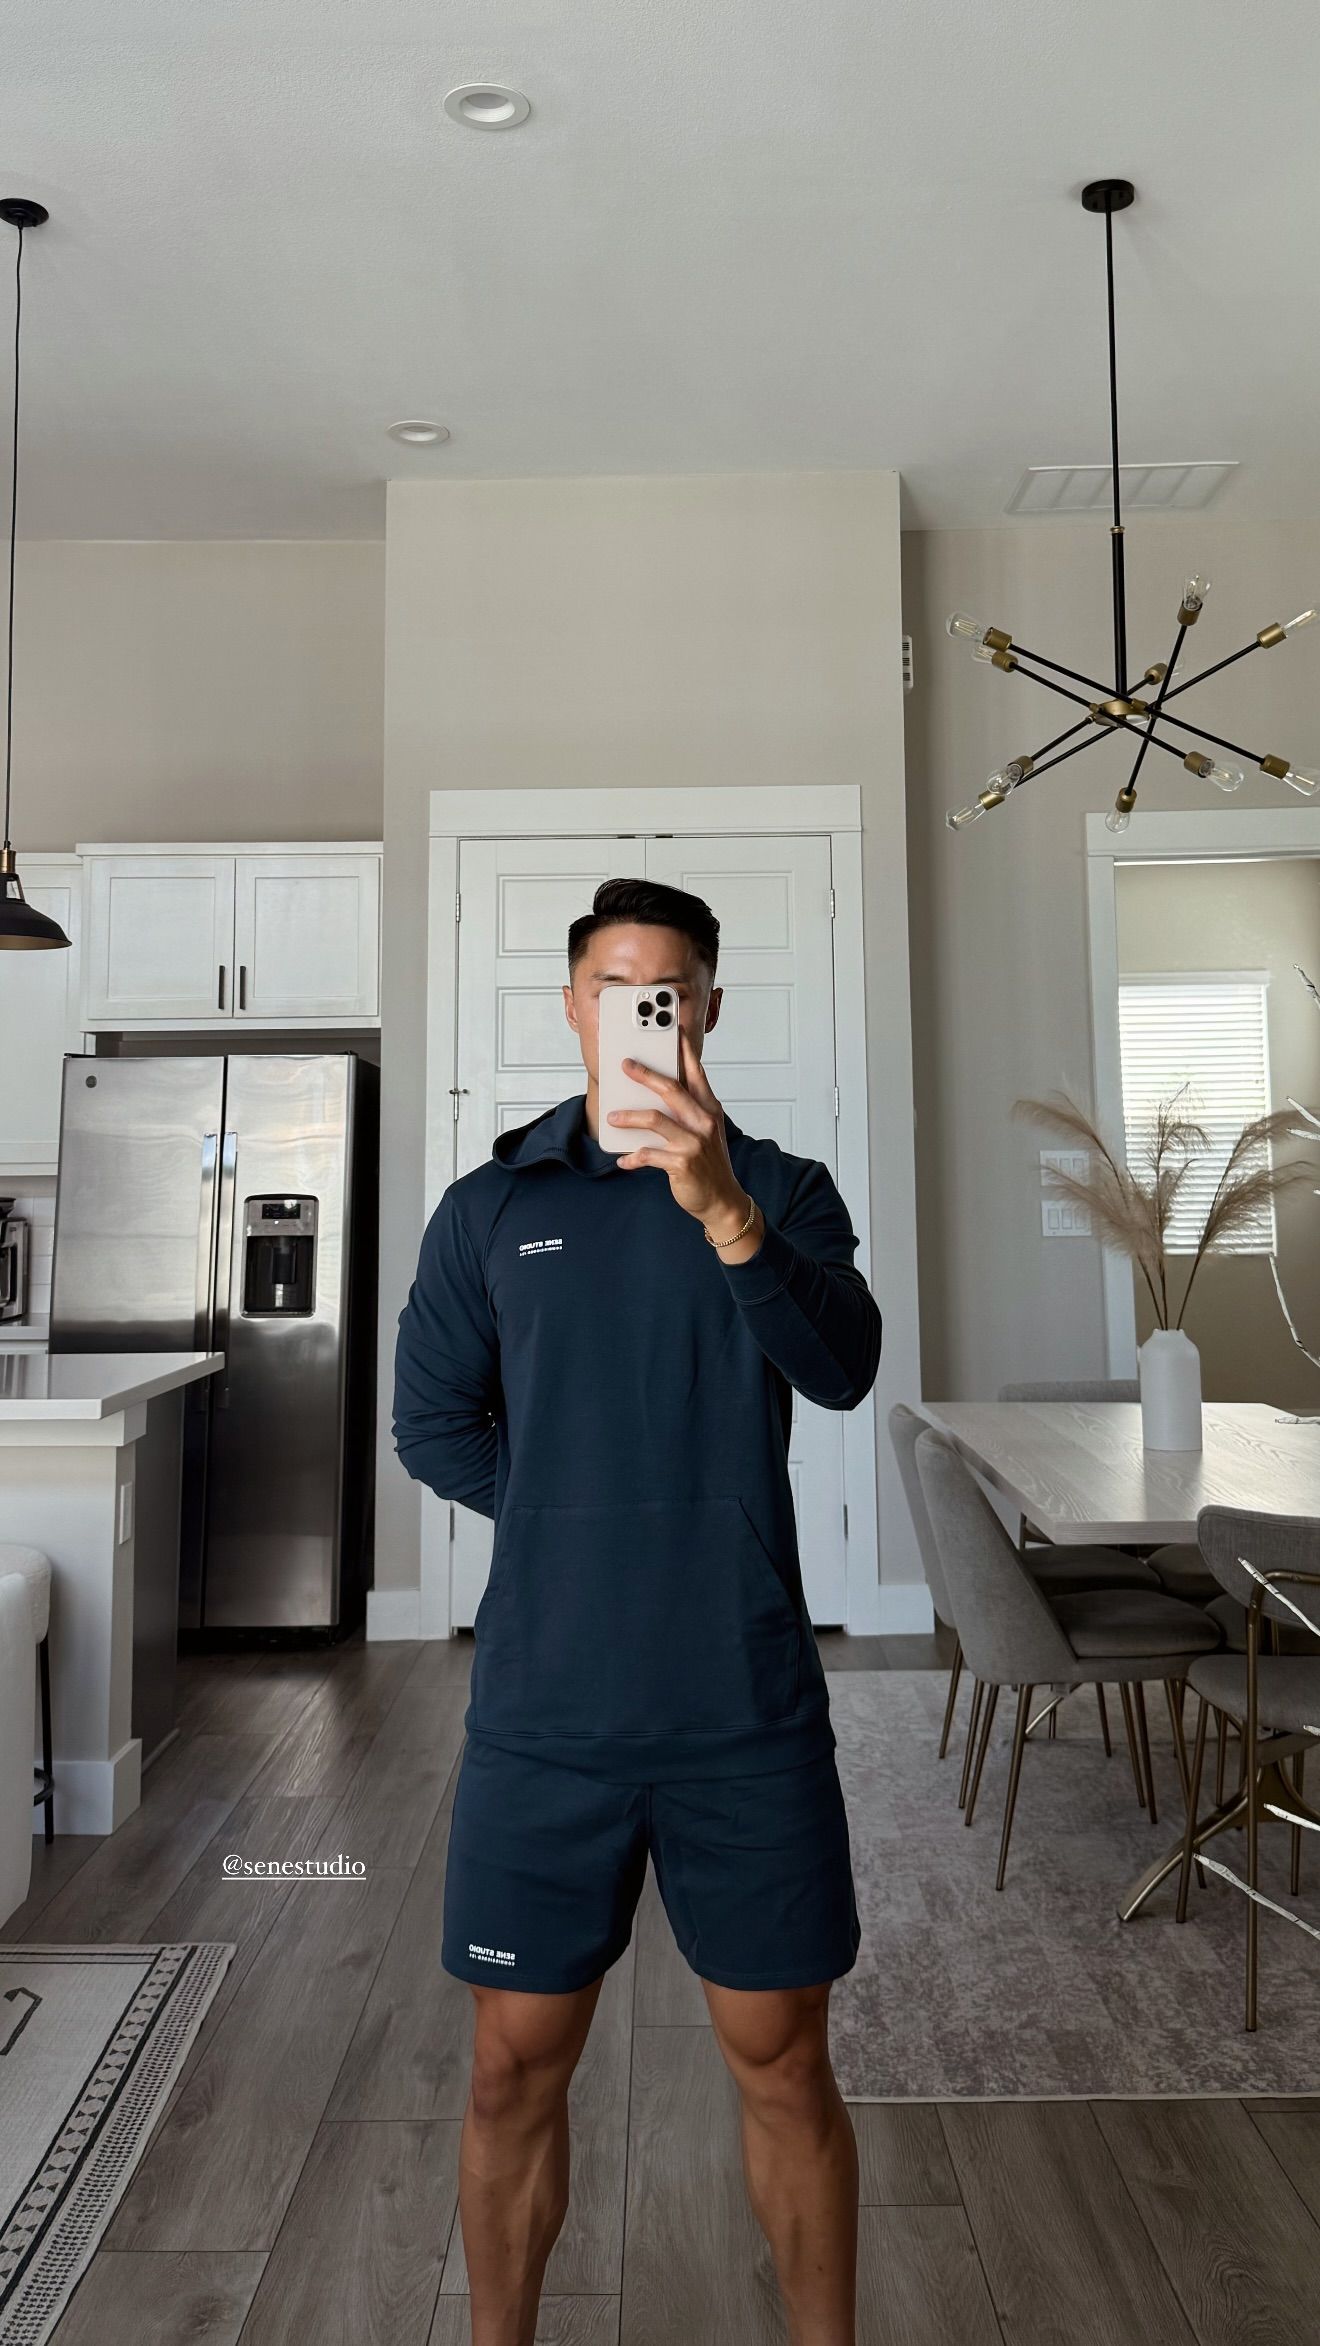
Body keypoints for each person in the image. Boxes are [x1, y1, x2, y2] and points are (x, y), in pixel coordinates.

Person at [393, 875, 882, 2346]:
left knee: (784, 2059)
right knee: (508, 2069)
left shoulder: (782, 1190)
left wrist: (724, 1209)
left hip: (746, 1711)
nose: (641, 1012)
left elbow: (847, 1364)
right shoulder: (491, 1208)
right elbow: (431, 1425)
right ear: (575, 1007)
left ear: (708, 1010)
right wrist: (569, 1521)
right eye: (615, 988)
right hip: (548, 1718)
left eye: (665, 990)